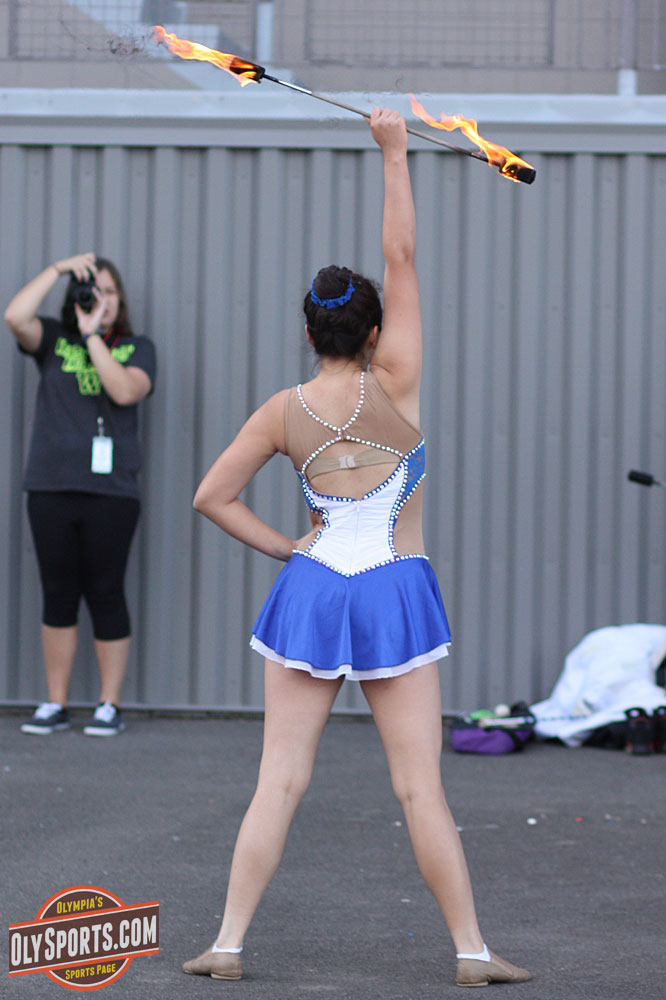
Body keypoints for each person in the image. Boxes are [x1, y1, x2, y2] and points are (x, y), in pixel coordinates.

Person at [187, 109, 531, 988]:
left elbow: (210, 497)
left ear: (311, 335)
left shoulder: (281, 411)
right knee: (420, 788)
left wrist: (285, 549)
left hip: (311, 589)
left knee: (279, 781)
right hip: (392, 591)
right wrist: (395, 153)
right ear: (374, 334)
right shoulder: (400, 381)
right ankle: (471, 952)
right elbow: (401, 256)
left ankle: (228, 943)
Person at [4, 253, 156, 737]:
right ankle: (56, 703)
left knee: (106, 591)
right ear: (76, 298)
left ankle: (109, 704)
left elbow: (125, 392)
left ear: (120, 300)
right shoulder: (53, 340)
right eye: (94, 291)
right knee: (58, 593)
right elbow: (15, 317)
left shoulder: (137, 348)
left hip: (112, 493)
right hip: (50, 486)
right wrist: (58, 270)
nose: (103, 300)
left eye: (111, 292)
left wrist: (92, 336)